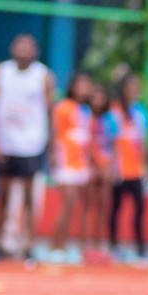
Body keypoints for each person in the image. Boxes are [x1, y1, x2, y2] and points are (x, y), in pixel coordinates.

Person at [0, 33, 54, 262]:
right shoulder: (0, 72)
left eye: (28, 47)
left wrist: (49, 144)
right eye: (20, 46)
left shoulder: (43, 75)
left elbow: (49, 110)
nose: (24, 51)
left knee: (28, 198)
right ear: (12, 48)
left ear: (35, 51)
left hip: (31, 144)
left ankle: (28, 245)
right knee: (2, 197)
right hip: (6, 143)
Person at [50, 72, 96, 260]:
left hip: (83, 163)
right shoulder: (62, 108)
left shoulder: (87, 110)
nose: (84, 89)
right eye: (80, 85)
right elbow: (56, 134)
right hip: (67, 162)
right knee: (67, 205)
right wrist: (54, 157)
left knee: (85, 207)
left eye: (87, 85)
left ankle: (80, 247)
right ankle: (56, 247)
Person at [106, 76, 148, 259]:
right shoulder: (114, 111)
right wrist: (111, 167)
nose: (134, 90)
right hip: (119, 169)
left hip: (137, 170)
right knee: (116, 208)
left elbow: (144, 142)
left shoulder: (140, 112)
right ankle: (114, 244)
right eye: (131, 86)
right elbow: (109, 141)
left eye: (137, 86)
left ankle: (140, 246)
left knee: (140, 208)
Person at [83, 81, 113, 263]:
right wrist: (95, 165)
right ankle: (85, 246)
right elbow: (84, 143)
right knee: (88, 206)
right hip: (89, 166)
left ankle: (99, 245)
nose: (98, 100)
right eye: (95, 97)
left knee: (103, 207)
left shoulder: (110, 119)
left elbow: (113, 145)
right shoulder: (84, 116)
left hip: (106, 166)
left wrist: (109, 167)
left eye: (101, 96)